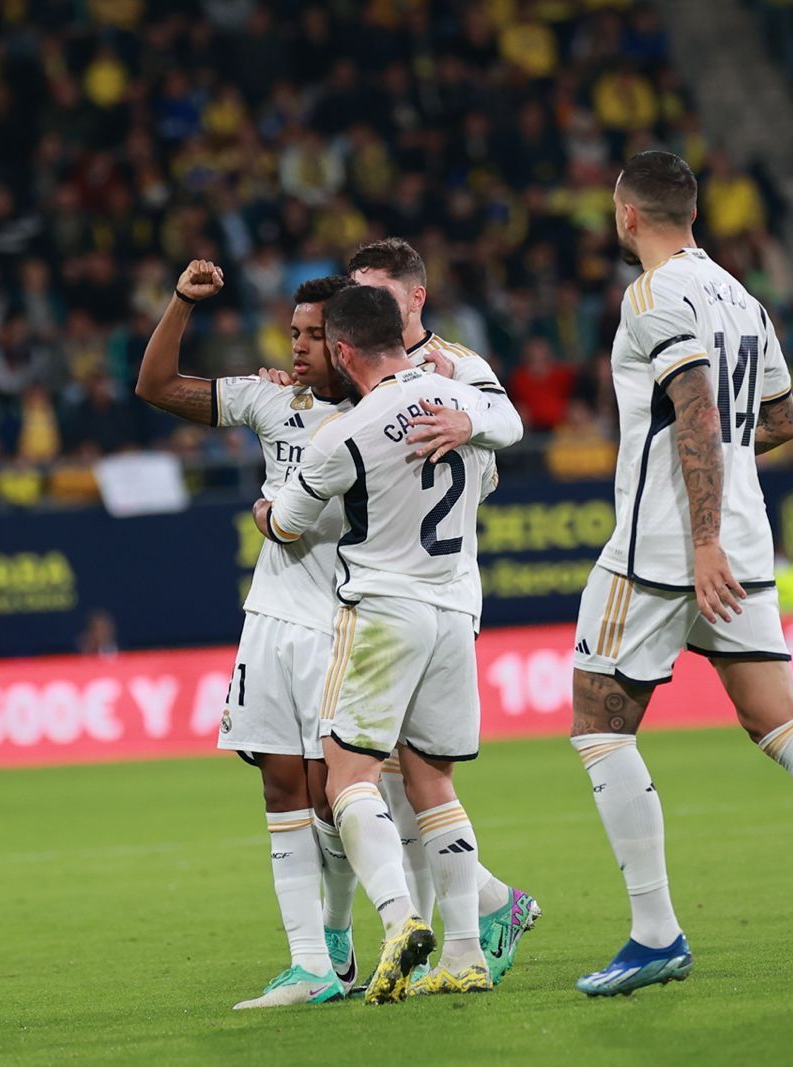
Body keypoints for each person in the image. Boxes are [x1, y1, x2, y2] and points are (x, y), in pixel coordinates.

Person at [569, 151, 793, 997]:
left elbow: (693, 404)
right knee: (779, 718)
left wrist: (696, 535)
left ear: (626, 215)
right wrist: (721, 491)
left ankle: (655, 933)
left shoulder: (650, 296)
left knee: (599, 724)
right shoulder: (742, 295)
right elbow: (784, 418)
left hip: (665, 547)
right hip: (742, 535)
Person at [255, 284, 502, 1004]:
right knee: (433, 782)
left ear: (342, 350)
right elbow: (507, 428)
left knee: (347, 775)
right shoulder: (461, 399)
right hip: (456, 607)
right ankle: (464, 953)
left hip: (386, 608)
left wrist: (265, 509)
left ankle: (398, 920)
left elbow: (291, 523)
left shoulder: (349, 431)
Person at [136, 262, 356, 1008]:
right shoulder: (274, 401)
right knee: (280, 786)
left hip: (344, 622)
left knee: (339, 801)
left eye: (314, 335)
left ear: (350, 340)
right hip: (269, 620)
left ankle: (340, 932)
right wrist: (180, 304)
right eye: (293, 332)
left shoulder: (379, 413)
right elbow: (157, 386)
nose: (297, 347)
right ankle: (309, 965)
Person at [343, 238, 540, 982]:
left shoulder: (456, 363)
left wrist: (469, 423)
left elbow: (511, 422)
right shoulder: (361, 363)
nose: (359, 303)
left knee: (413, 773)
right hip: (391, 582)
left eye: (373, 290)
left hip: (438, 584)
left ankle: (450, 929)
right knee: (399, 777)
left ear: (414, 297)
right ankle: (468, 920)